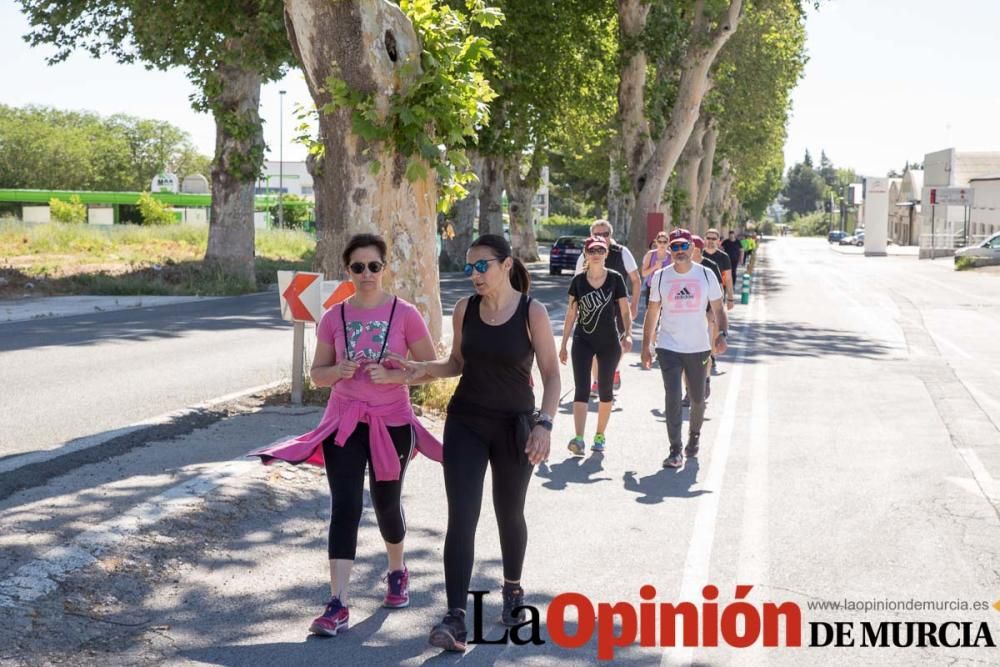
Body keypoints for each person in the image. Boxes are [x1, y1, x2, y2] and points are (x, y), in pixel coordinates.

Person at [249, 233, 442, 637]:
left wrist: (393, 375)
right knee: (345, 507)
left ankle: (396, 570)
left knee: (386, 505)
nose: (367, 274)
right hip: (345, 423)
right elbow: (316, 375)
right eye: (358, 267)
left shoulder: (405, 314)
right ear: (347, 271)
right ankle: (337, 602)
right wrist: (337, 372)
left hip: (392, 423)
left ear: (384, 268)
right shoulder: (334, 316)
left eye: (374, 266)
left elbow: (429, 367)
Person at [393, 234, 561, 652]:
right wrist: (417, 370)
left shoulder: (531, 312)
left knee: (509, 513)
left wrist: (545, 424)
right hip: (467, 421)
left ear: (506, 265)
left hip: (515, 426)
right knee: (462, 517)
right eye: (469, 268)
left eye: (481, 266)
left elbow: (552, 373)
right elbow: (456, 364)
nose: (474, 275)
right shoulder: (465, 309)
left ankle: (513, 590)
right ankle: (455, 616)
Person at [641, 228, 728, 470]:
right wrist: (646, 345)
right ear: (670, 249)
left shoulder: (706, 275)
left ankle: (695, 436)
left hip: (699, 347)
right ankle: (675, 450)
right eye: (675, 247)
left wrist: (721, 334)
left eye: (683, 246)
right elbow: (652, 311)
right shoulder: (660, 276)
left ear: (691, 248)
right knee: (672, 397)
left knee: (698, 399)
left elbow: (719, 309)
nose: (679, 251)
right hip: (668, 346)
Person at [559, 236, 632, 456]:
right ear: (586, 254)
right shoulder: (578, 281)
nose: (597, 254)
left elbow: (625, 311)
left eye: (601, 250)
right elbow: (571, 314)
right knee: (581, 389)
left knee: (605, 390)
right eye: (592, 250)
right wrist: (563, 344)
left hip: (609, 342)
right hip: (583, 341)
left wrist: (628, 334)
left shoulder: (616, 279)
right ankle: (579, 438)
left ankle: (599, 436)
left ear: (606, 253)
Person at [574, 219, 640, 393]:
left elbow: (635, 280)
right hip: (594, 310)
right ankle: (597, 381)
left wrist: (634, 305)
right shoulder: (584, 256)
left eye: (605, 234)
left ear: (611, 235)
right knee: (596, 350)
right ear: (591, 235)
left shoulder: (622, 252)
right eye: (597, 234)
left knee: (618, 345)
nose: (602, 237)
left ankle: (614, 369)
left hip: (618, 307)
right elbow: (577, 287)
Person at [640, 232, 672, 310]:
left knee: (664, 315)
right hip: (652, 288)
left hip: (666, 289)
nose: (662, 244)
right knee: (651, 315)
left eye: (665, 242)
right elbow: (644, 274)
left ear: (668, 243)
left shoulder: (671, 257)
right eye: (660, 242)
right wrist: (655, 267)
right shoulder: (650, 254)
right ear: (656, 242)